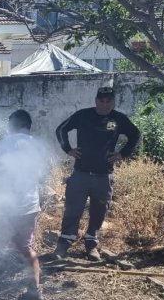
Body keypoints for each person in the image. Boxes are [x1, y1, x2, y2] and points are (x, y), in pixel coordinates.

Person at [54, 86, 141, 261]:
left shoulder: (118, 119)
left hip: (104, 176)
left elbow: (135, 135)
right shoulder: (83, 115)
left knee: (99, 211)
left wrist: (121, 154)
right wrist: (68, 149)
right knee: (72, 209)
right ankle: (64, 244)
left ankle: (91, 243)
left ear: (113, 102)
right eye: (102, 101)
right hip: (80, 174)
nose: (105, 104)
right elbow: (61, 129)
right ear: (96, 101)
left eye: (109, 101)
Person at [0, 109, 47, 300]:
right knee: (26, 247)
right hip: (29, 204)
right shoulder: (37, 145)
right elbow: (40, 176)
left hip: (9, 204)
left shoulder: (6, 142)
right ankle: (35, 289)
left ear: (12, 125)